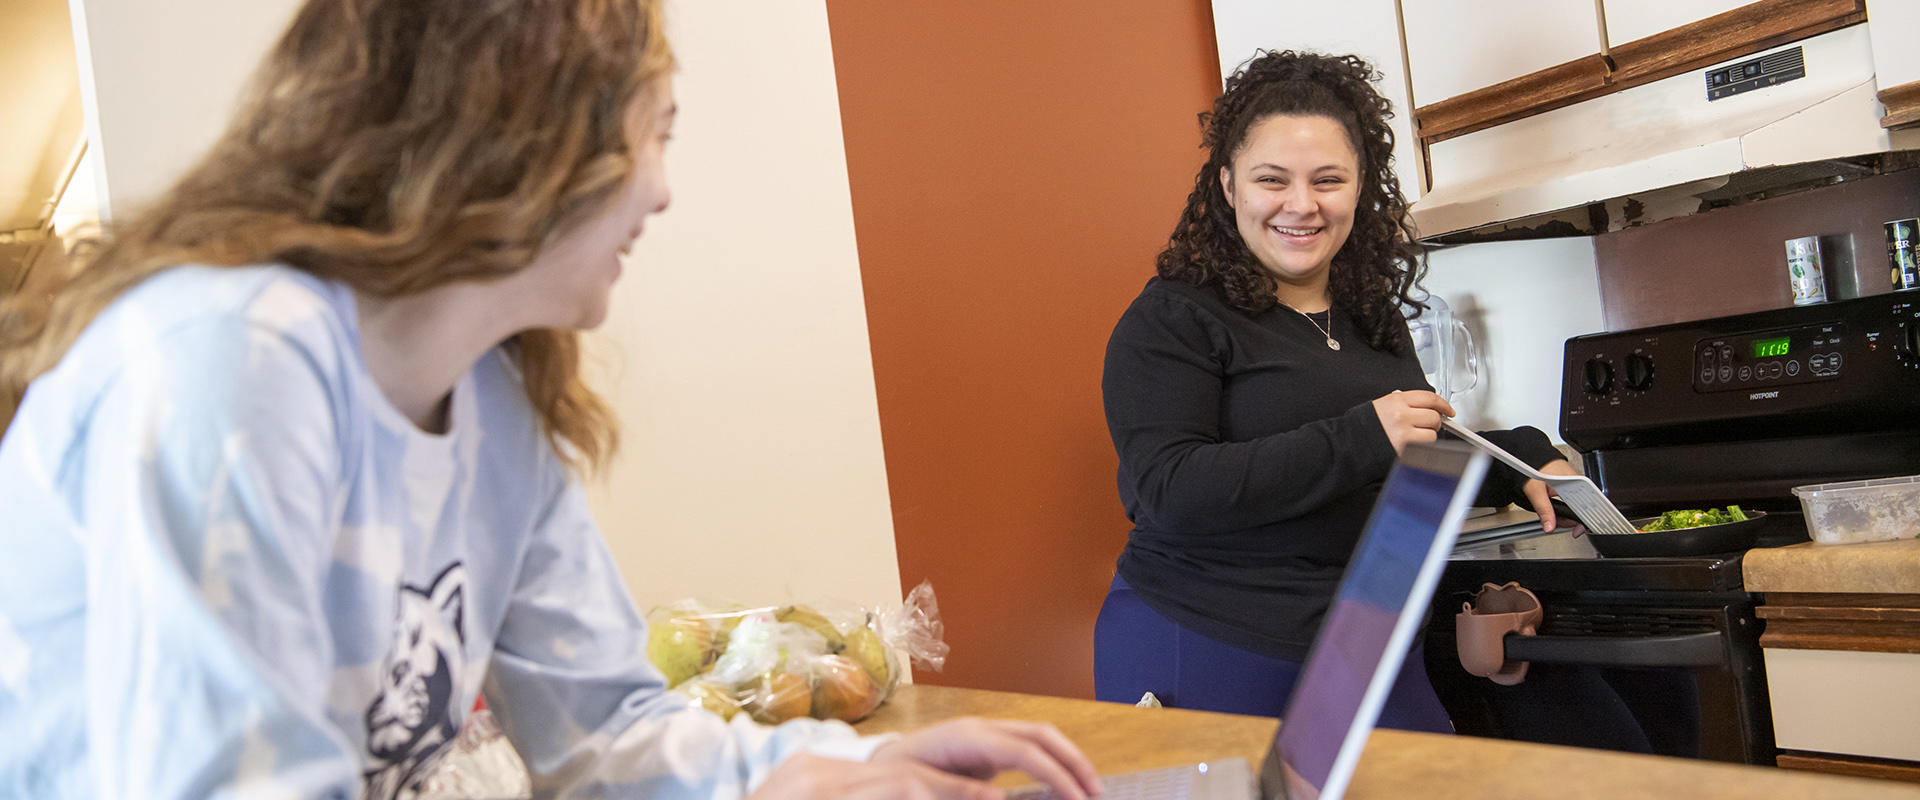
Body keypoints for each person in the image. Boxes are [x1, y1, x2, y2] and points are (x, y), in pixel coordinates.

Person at [0, 1, 1102, 798]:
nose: (664, 191)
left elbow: (608, 729)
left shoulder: (491, 396)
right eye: (653, 131)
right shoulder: (231, 357)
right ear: (519, 130)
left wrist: (844, 769)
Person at [1093, 50, 1578, 730]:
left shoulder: (1369, 318)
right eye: (1273, 179)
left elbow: (1407, 455)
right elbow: (1167, 491)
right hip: (1209, 639)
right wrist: (1359, 435)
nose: (1303, 204)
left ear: (1360, 188)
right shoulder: (1173, 320)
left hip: (1366, 640)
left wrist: (1520, 461)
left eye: (1328, 180)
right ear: (1228, 185)